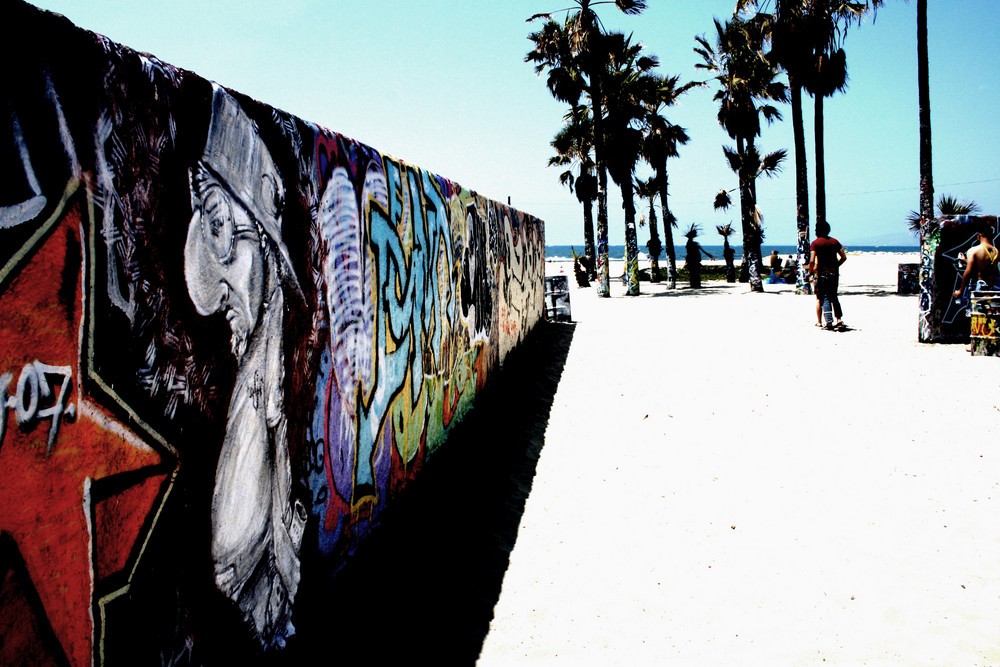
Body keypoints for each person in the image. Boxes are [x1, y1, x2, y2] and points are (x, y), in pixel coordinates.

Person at [184, 86, 306, 647]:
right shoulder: (258, 384)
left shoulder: (265, 389)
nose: (216, 281)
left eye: (222, 231)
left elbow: (231, 553)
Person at [808, 221, 847, 330]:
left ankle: (829, 322)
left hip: (822, 274)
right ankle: (839, 320)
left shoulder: (815, 243)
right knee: (834, 296)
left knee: (824, 297)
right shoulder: (835, 242)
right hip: (834, 273)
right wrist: (836, 266)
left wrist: (810, 272)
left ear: (817, 231)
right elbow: (843, 257)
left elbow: (812, 260)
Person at [953, 225, 1000, 299]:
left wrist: (960, 291)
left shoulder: (974, 250)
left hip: (978, 286)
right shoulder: (996, 252)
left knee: (974, 309)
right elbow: (985, 267)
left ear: (979, 236)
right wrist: (965, 261)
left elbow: (968, 272)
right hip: (990, 288)